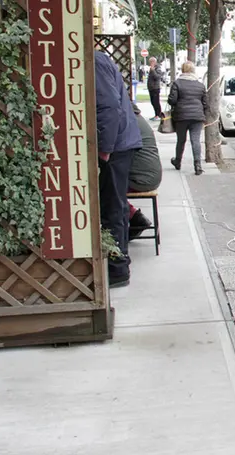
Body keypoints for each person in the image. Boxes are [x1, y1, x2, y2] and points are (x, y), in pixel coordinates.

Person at [95, 50, 142, 288]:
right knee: (116, 205)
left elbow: (108, 108)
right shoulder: (98, 59)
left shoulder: (92, 61)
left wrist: (104, 148)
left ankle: (117, 268)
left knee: (112, 207)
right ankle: (119, 262)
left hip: (116, 146)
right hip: (120, 143)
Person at [128, 103, 162, 240]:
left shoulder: (128, 120)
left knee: (103, 189)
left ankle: (133, 218)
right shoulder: (137, 118)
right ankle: (134, 216)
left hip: (142, 179)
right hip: (151, 176)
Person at [168, 61, 208, 176]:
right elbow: (205, 103)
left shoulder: (177, 83)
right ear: (193, 70)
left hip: (181, 116)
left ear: (182, 70)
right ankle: (198, 165)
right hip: (197, 117)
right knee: (195, 140)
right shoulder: (200, 85)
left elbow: (172, 100)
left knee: (181, 140)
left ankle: (178, 161)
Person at [147, 57, 164, 121]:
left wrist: (153, 70)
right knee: (153, 102)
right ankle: (156, 114)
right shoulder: (152, 68)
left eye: (151, 62)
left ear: (154, 62)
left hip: (155, 88)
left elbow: (157, 77)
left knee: (156, 102)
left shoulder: (158, 68)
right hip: (151, 88)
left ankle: (159, 115)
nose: (150, 63)